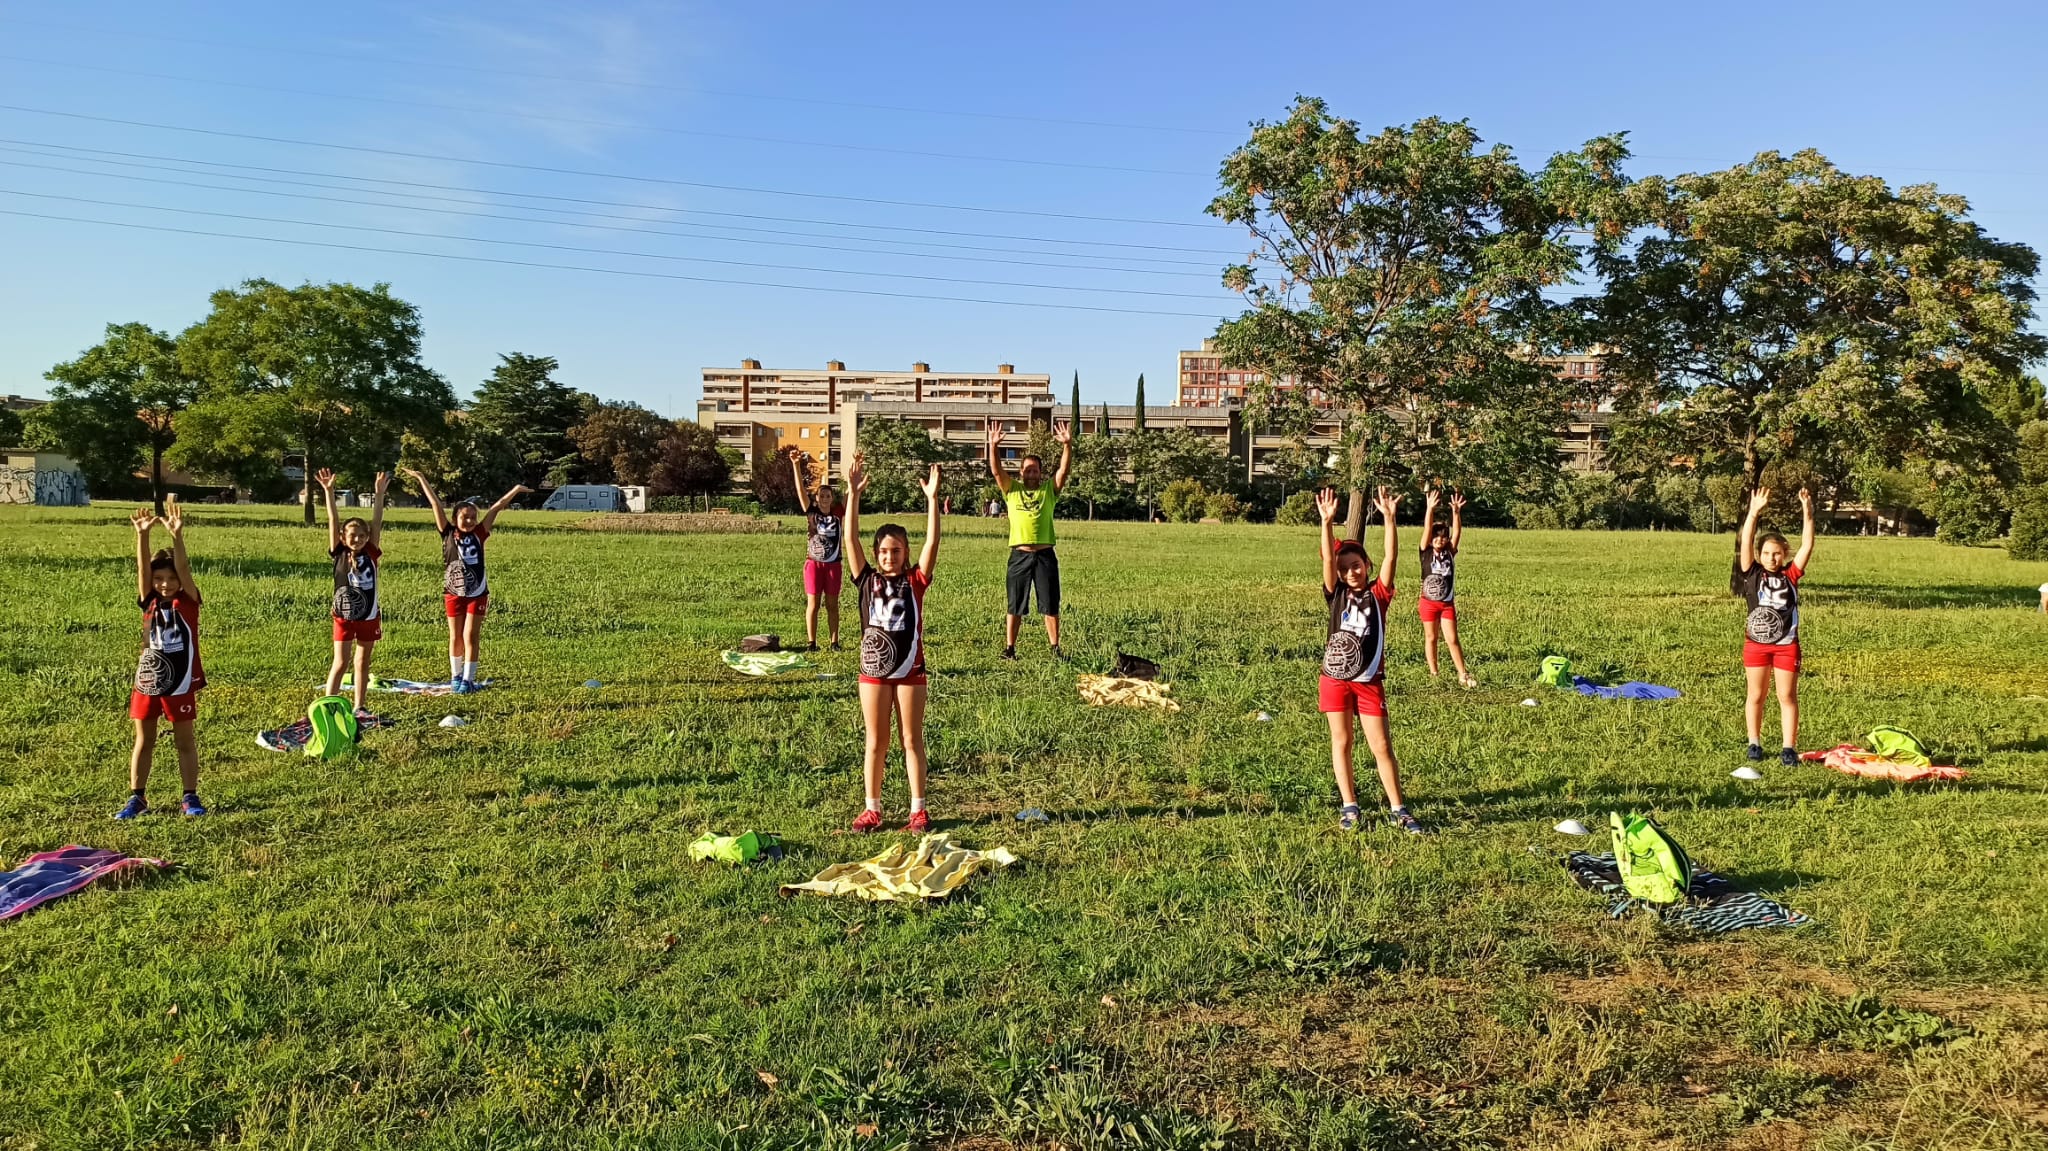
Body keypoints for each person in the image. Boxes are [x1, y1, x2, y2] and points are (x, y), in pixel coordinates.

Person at [1316, 487, 1428, 835]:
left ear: (1367, 566)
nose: (1351, 572)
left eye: (1357, 566)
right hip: (1334, 679)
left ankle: (1399, 808)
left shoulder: (1378, 594)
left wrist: (1390, 520)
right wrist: (1327, 523)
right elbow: (1325, 560)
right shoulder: (1336, 595)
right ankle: (1350, 805)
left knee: (1381, 746)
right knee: (1342, 742)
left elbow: (1392, 559)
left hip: (1369, 682)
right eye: (1345, 568)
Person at [843, 452, 943, 833]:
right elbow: (849, 537)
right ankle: (873, 809)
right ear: (875, 554)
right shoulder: (865, 579)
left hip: (911, 671)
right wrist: (853, 494)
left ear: (906, 553)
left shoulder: (916, 580)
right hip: (873, 672)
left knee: (911, 739)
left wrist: (932, 501)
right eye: (884, 551)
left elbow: (933, 542)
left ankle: (918, 809)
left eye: (897, 550)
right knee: (875, 742)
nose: (889, 556)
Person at [118, 499, 207, 819]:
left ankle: (190, 796)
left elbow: (183, 568)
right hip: (148, 681)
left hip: (180, 681)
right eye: (160, 580)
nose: (165, 584)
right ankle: (137, 797)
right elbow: (143, 570)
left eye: (170, 579)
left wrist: (177, 537)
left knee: (184, 740)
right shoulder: (149, 601)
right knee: (145, 739)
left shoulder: (189, 602)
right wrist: (142, 536)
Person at [405, 469, 529, 692]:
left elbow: (497, 507)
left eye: (473, 517)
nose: (470, 521)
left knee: (471, 635)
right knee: (455, 635)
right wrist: (422, 478)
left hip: (477, 593)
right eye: (465, 517)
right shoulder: (447, 533)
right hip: (453, 593)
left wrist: (516, 490)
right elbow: (435, 504)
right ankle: (456, 675)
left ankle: (468, 679)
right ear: (455, 519)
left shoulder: (480, 533)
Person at [1734, 486, 1816, 765]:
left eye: (1777, 553)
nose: (1772, 558)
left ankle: (1788, 748)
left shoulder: (1791, 574)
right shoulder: (1752, 572)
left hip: (1785, 646)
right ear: (1759, 555)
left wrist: (1807, 511)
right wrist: (1754, 512)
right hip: (1756, 646)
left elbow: (1807, 545)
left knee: (1786, 695)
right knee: (1756, 694)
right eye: (1767, 553)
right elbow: (1746, 540)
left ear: (1784, 555)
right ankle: (1754, 743)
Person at [988, 418, 1072, 659]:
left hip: (1045, 555)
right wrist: (993, 446)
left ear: (1040, 473)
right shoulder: (1011, 489)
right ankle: (1010, 648)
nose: (1031, 473)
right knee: (1015, 604)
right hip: (1019, 555)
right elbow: (995, 471)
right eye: (1027, 470)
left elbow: (1063, 471)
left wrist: (1067, 445)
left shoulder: (1049, 491)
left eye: (1035, 470)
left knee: (1050, 603)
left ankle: (1055, 648)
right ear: (1021, 472)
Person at [319, 468, 388, 716]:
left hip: (368, 616)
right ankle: (329, 704)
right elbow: (332, 520)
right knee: (341, 661)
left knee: (362, 661)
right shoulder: (338, 551)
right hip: (343, 616)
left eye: (361, 535)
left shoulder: (371, 551)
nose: (357, 539)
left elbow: (377, 521)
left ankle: (360, 705)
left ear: (367, 537)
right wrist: (329, 491)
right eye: (352, 535)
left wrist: (379, 494)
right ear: (343, 537)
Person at [1416, 487, 1476, 688]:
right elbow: (1426, 531)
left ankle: (1463, 674)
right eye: (1436, 536)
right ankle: (1434, 672)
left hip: (1446, 604)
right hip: (1428, 604)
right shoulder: (1425, 552)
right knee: (1431, 637)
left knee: (1452, 639)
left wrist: (1456, 513)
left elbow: (1457, 532)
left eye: (1443, 536)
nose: (1439, 540)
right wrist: (1429, 510)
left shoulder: (1450, 552)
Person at [788, 448, 843, 651]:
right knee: (813, 603)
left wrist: (857, 469)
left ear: (832, 498)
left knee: (832, 605)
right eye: (822, 495)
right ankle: (812, 643)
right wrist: (796, 464)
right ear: (817, 498)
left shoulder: (838, 513)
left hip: (833, 565)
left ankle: (834, 642)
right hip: (813, 564)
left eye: (828, 495)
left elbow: (852, 494)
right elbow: (800, 490)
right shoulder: (811, 512)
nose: (825, 498)